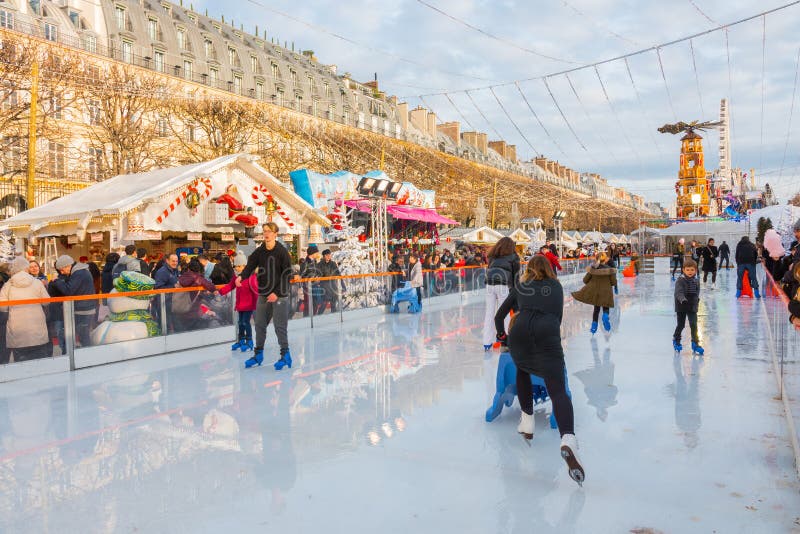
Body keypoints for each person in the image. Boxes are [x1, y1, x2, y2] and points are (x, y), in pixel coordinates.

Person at [493, 255, 584, 486]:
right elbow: (558, 319)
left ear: (529, 269)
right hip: (547, 330)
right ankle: (568, 439)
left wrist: (503, 336)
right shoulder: (555, 286)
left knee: (522, 368)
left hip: (520, 332)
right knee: (557, 389)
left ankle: (528, 421)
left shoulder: (521, 286)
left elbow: (499, 316)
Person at [236, 222, 293, 370]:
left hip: (279, 295)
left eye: (269, 231)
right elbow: (250, 265)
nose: (266, 234)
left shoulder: (281, 252)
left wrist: (277, 293)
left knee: (280, 327)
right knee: (260, 325)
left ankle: (285, 355)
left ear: (275, 234)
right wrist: (242, 277)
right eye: (264, 231)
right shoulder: (260, 251)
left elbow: (288, 274)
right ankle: (258, 354)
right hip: (264, 294)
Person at [0, 256, 52, 363]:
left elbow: (3, 307)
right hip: (37, 330)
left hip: (17, 332)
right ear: (26, 268)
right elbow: (47, 301)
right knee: (39, 362)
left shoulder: (8, 286)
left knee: (22, 364)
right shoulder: (37, 283)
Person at [49, 255, 97, 347]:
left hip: (84, 310)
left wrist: (57, 281)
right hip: (84, 308)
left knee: (84, 336)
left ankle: (88, 356)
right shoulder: (79, 272)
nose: (62, 273)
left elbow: (68, 291)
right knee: (83, 336)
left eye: (62, 270)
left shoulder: (79, 273)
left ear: (68, 266)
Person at [482, 237, 519, 351]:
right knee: (505, 313)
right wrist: (516, 292)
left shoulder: (493, 256)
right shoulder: (514, 257)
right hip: (503, 285)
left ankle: (487, 342)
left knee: (489, 312)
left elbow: (489, 271)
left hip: (489, 284)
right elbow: (516, 276)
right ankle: (506, 339)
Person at [219, 251, 258, 352]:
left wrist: (257, 304)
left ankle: (249, 341)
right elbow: (230, 286)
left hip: (249, 305)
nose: (238, 268)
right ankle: (241, 340)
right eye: (236, 266)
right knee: (240, 322)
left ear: (246, 266)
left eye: (241, 266)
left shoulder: (251, 277)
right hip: (240, 305)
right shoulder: (236, 277)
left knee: (245, 322)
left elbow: (256, 291)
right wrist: (220, 291)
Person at [571, 252, 617, 333]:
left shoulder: (593, 269)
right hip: (606, 292)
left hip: (596, 292)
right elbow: (613, 282)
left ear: (596, 259)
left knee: (596, 309)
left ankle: (594, 326)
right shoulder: (610, 270)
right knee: (606, 307)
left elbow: (585, 280)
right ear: (605, 259)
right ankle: (605, 316)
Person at [173, 258, 217, 332]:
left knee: (182, 332)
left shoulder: (183, 276)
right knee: (194, 332)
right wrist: (214, 290)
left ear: (189, 268)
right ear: (199, 269)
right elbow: (211, 286)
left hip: (179, 309)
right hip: (191, 312)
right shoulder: (196, 277)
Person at [673, 258, 703, 355]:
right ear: (683, 270)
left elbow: (697, 291)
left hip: (692, 305)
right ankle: (676, 339)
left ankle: (695, 343)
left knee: (693, 324)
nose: (690, 272)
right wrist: (683, 300)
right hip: (682, 305)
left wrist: (696, 300)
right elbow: (678, 292)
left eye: (692, 270)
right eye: (688, 270)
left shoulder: (696, 280)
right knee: (681, 325)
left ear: (695, 270)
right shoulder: (680, 280)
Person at [300, 245, 322, 317]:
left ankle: (314, 317)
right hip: (307, 286)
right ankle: (306, 319)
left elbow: (317, 272)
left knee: (316, 303)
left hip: (315, 285)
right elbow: (302, 275)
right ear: (312, 253)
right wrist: (312, 278)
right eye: (316, 253)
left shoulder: (315, 261)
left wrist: (318, 277)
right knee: (308, 304)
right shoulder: (305, 263)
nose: (317, 254)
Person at [317, 249, 340, 314]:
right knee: (325, 302)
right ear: (324, 256)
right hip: (325, 285)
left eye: (329, 255)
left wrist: (336, 275)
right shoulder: (320, 264)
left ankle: (334, 315)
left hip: (333, 285)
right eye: (327, 255)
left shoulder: (333, 263)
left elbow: (337, 272)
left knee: (333, 302)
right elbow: (319, 274)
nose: (329, 256)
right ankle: (319, 315)